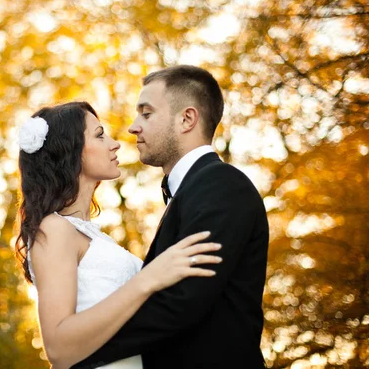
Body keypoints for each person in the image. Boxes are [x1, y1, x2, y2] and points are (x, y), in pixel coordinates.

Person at [72, 65, 270, 368]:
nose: (133, 127)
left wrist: (81, 350)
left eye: (146, 113)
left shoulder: (222, 186)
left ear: (186, 119)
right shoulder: (194, 189)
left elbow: (182, 301)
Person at [15, 101, 223, 369]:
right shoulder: (53, 228)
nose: (115, 144)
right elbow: (58, 348)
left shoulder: (94, 236)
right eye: (100, 135)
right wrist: (149, 278)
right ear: (70, 149)